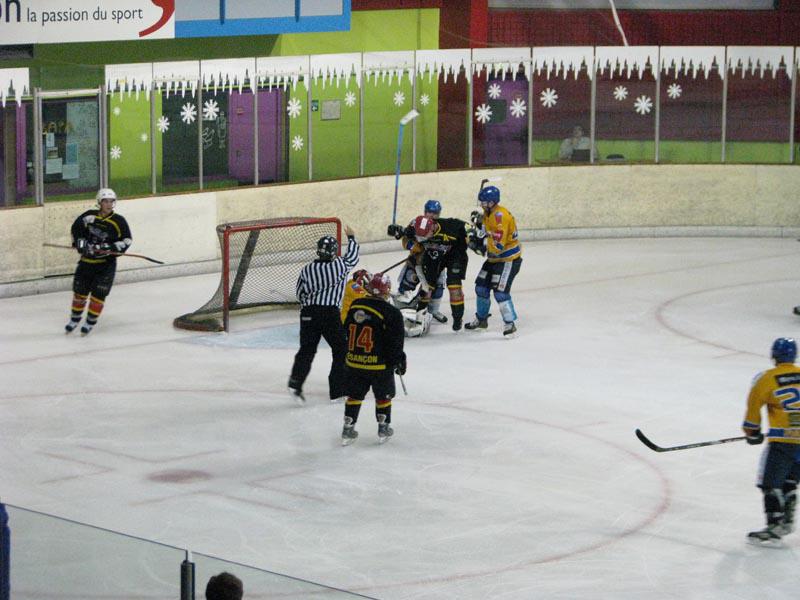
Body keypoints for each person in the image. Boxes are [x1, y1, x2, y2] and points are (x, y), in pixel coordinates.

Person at [288, 225, 359, 404]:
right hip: (329, 314)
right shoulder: (340, 265)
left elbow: (300, 294)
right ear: (334, 251)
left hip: (308, 313)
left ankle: (295, 383)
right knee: (341, 349)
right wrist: (351, 238)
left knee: (307, 350)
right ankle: (338, 391)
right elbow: (353, 256)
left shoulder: (306, 269)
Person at [742, 337, 800, 545]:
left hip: (783, 441)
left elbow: (753, 411)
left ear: (774, 355)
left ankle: (775, 526)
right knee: (789, 481)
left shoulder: (766, 378)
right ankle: (787, 521)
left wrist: (752, 432)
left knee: (770, 483)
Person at [341, 272, 406, 445]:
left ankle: (348, 427)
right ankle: (383, 427)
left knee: (354, 395)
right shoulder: (391, 312)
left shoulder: (355, 305)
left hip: (354, 362)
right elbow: (395, 342)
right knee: (383, 395)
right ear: (387, 291)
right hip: (379, 366)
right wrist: (399, 360)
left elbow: (346, 330)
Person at [65, 188, 132, 336]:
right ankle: (74, 319)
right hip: (86, 263)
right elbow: (76, 229)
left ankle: (90, 322)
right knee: (79, 293)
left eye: (111, 201)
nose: (108, 204)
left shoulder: (118, 221)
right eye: (105, 201)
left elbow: (127, 240)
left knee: (98, 296)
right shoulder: (89, 216)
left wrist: (110, 247)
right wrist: (79, 242)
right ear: (99, 202)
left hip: (105, 266)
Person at [465, 185, 522, 337]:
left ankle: (510, 324)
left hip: (507, 260)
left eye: (484, 202)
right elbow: (488, 230)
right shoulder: (489, 212)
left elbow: (497, 247)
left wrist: (477, 245)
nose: (481, 204)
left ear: (492, 202)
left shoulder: (500, 217)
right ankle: (481, 320)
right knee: (481, 288)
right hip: (494, 260)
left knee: (500, 293)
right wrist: (479, 223)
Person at [387, 199, 448, 323]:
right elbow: (405, 240)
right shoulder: (415, 223)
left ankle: (432, 311)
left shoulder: (442, 227)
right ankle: (399, 309)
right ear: (425, 212)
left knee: (437, 288)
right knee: (407, 284)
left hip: (436, 265)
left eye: (435, 213)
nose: (432, 215)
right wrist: (412, 246)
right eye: (429, 212)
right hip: (416, 262)